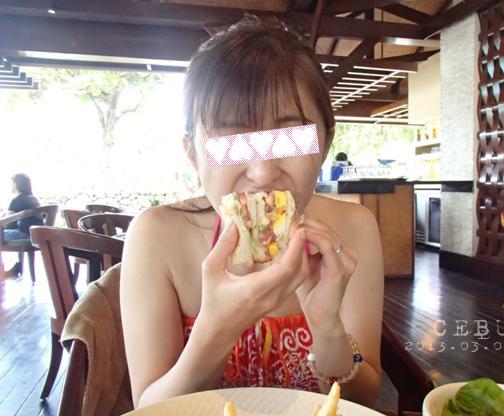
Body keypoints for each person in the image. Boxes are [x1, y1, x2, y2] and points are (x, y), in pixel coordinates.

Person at [120, 16, 384, 410]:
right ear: (193, 155)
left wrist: (327, 329)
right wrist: (217, 327)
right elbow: (149, 408)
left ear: (324, 144)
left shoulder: (354, 229)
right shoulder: (156, 236)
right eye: (231, 141)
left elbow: (364, 399)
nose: (262, 173)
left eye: (289, 138)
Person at [2, 173, 43, 276]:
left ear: (17, 184)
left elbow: (6, 223)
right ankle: (11, 270)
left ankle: (2, 273)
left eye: (12, 183)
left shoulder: (17, 200)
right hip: (35, 236)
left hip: (25, 235)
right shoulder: (33, 198)